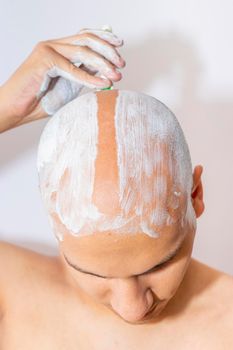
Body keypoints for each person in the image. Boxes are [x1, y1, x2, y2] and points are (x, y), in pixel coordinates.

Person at [0, 27, 232, 349]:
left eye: (158, 265)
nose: (133, 309)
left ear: (196, 196)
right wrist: (6, 110)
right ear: (55, 223)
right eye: (95, 274)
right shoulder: (12, 293)